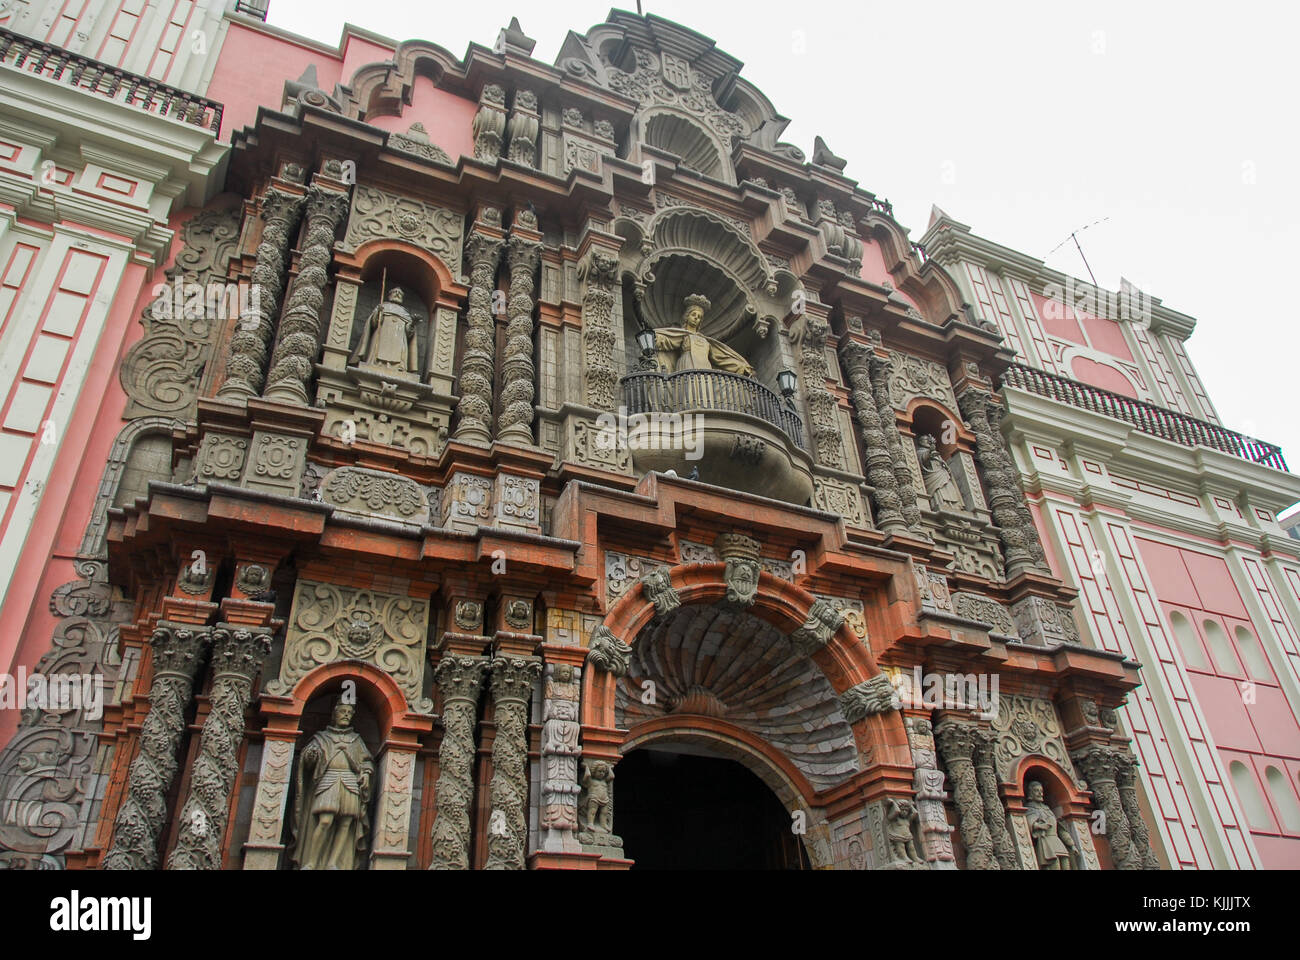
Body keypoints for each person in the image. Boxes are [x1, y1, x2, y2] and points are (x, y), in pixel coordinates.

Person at [290, 698, 375, 870]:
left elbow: (367, 761)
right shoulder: (322, 737)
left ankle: (333, 863)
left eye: (350, 713)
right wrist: (310, 756)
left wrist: (366, 773)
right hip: (329, 780)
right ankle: (311, 861)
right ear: (334, 713)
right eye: (343, 711)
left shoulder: (356, 740)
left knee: (346, 823)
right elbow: (307, 760)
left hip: (350, 782)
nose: (346, 715)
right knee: (325, 820)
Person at [654, 294, 754, 376]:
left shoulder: (705, 340)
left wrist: (741, 366)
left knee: (705, 392)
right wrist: (654, 339)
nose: (696, 318)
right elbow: (668, 341)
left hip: (705, 368)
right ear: (687, 317)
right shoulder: (683, 335)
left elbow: (722, 357)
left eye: (699, 317)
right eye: (693, 315)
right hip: (687, 363)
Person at [350, 286, 419, 374]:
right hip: (381, 337)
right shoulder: (382, 307)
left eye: (400, 293)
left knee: (400, 354)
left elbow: (409, 333)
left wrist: (413, 323)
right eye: (395, 292)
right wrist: (378, 313)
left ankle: (398, 368)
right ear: (389, 295)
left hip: (399, 341)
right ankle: (376, 363)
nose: (397, 294)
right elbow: (374, 324)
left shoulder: (405, 313)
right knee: (377, 349)